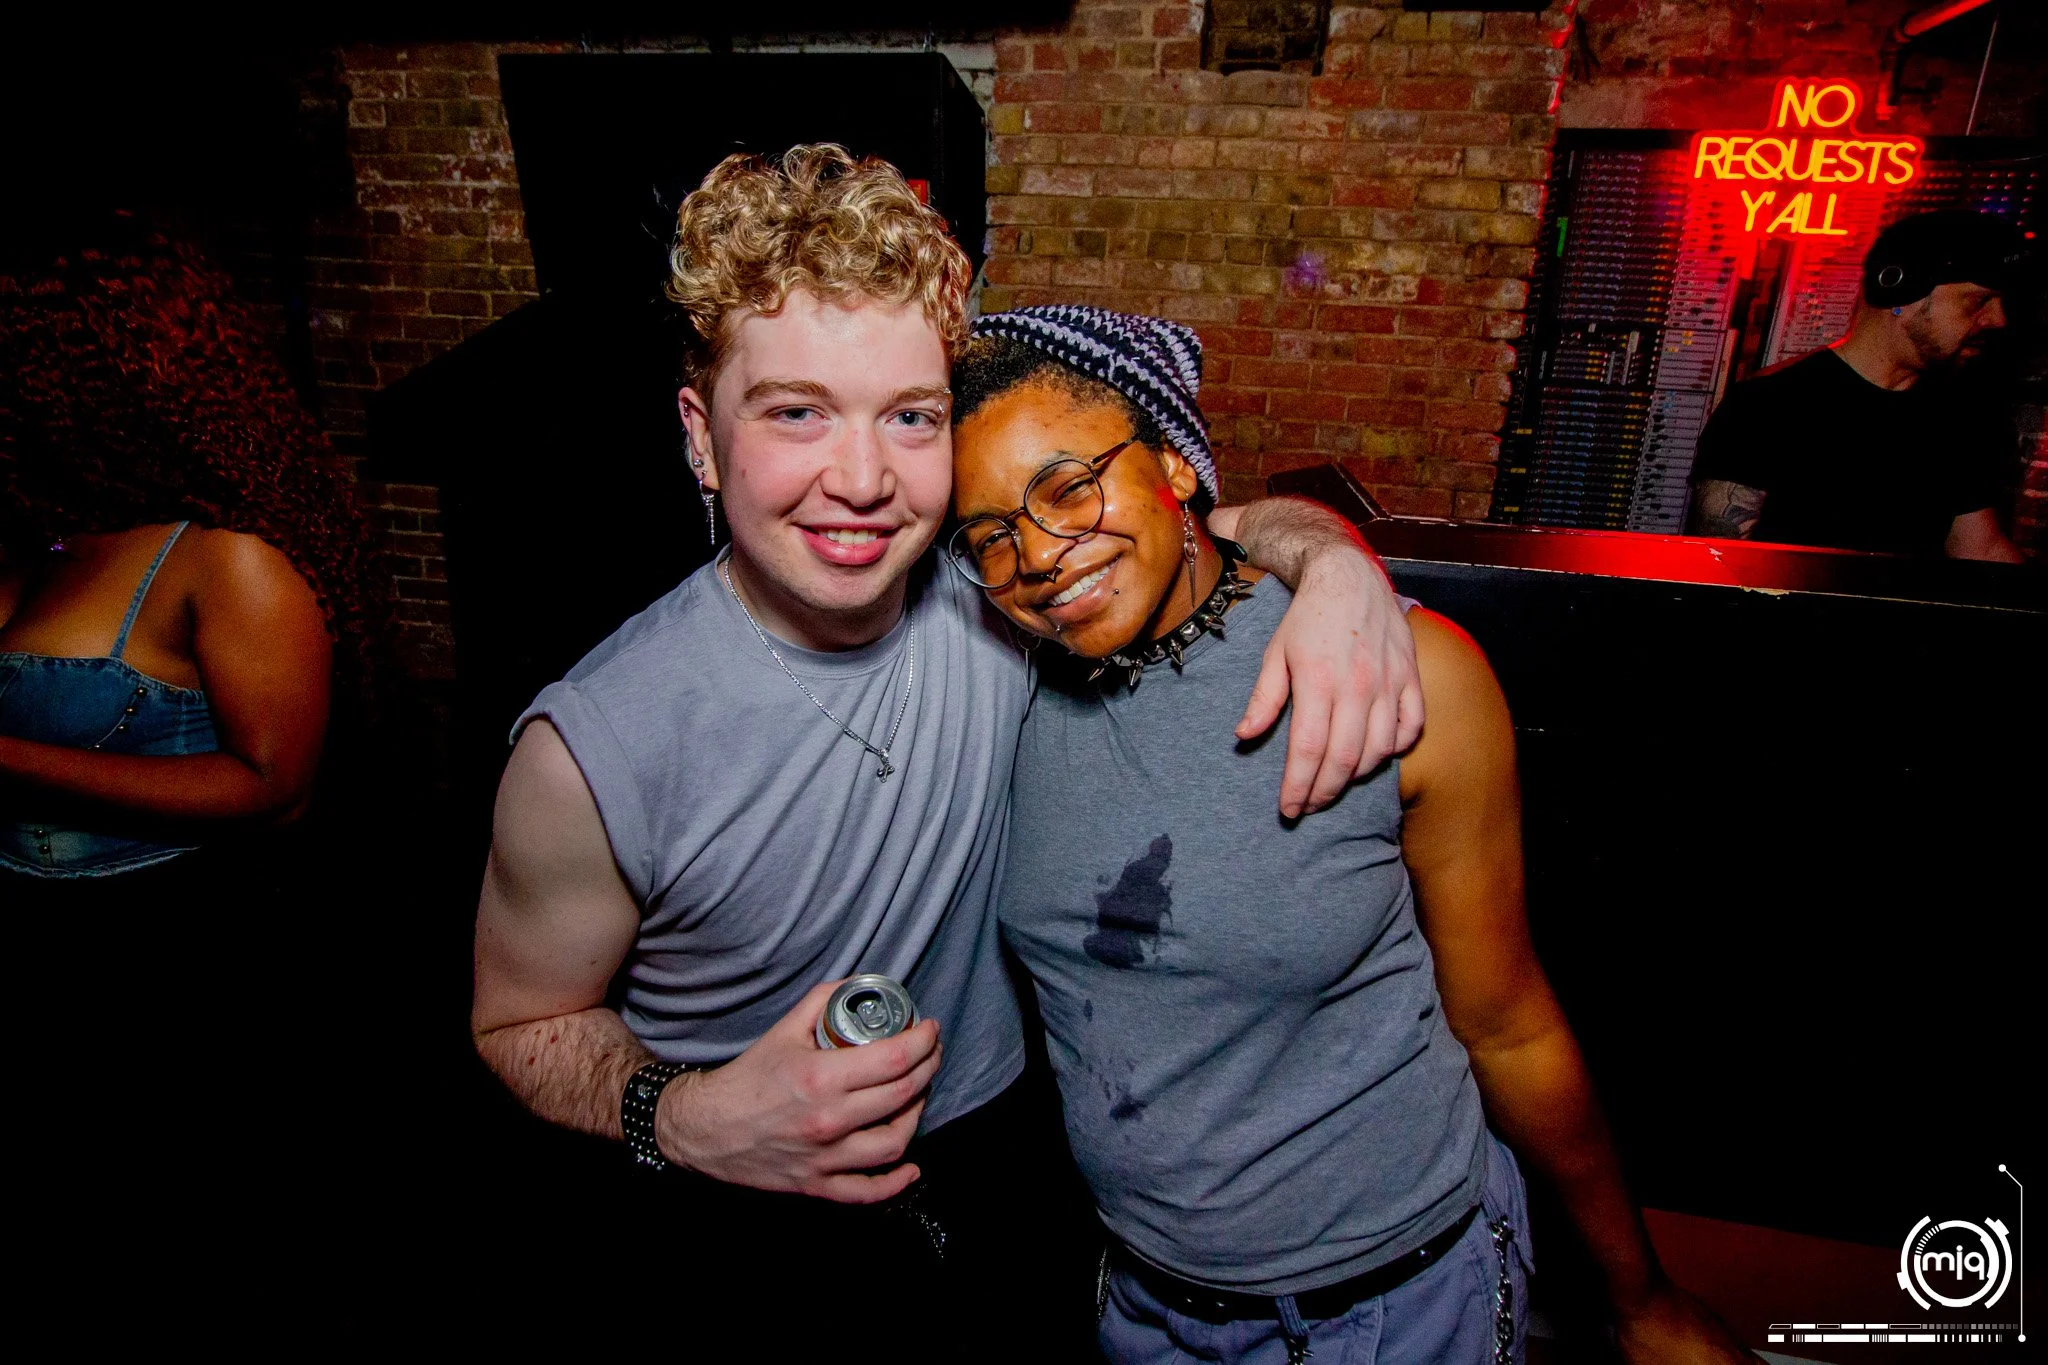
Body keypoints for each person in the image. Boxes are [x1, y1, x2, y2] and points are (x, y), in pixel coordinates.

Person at [467, 145, 1421, 1345]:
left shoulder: (1001, 596)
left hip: (1014, 1168)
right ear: (701, 438)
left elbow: (1183, 520)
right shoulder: (591, 747)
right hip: (744, 1205)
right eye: (796, 413)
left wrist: (1333, 563)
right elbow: (516, 1025)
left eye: (909, 417)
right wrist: (686, 1116)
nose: (862, 480)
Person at [949, 305, 1756, 1364]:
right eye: (991, 536)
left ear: (1175, 465)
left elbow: (1507, 1026)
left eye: (1068, 488)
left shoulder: (1402, 675)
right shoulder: (998, 689)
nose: (1038, 556)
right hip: (1144, 1310)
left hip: (1398, 1310)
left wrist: (1638, 1297)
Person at [0, 227, 387, 1277]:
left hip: (175, 964)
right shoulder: (52, 535)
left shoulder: (227, 555)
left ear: (82, 374)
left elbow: (275, 788)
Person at [1689, 209, 2027, 561]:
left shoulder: (1954, 416)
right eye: (1978, 300)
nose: (1998, 319)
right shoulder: (1768, 404)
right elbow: (1721, 557)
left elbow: (1979, 547)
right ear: (1902, 292)